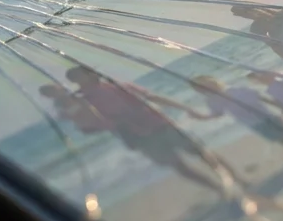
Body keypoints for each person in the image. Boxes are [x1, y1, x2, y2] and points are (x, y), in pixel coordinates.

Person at [55, 66, 238, 196]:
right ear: (76, 81)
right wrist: (76, 115)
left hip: (160, 124)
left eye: (85, 74)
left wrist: (184, 107)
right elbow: (90, 127)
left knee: (201, 152)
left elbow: (151, 96)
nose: (86, 77)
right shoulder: (84, 101)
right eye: (80, 77)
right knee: (181, 166)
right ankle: (219, 189)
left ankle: (235, 180)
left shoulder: (114, 85)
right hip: (142, 137)